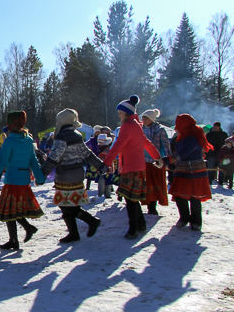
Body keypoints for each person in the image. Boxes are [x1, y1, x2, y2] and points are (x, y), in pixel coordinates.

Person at [41, 109, 107, 243]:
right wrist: (101, 166)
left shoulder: (62, 136)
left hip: (66, 175)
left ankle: (91, 221)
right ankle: (73, 233)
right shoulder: (77, 135)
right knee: (67, 204)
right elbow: (87, 154)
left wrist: (42, 174)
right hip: (77, 174)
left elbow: (54, 157)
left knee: (65, 204)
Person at [0, 111, 45, 250]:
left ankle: (17, 237)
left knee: (9, 210)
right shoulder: (29, 140)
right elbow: (33, 161)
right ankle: (19, 235)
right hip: (24, 182)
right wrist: (40, 178)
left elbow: (1, 164)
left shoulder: (9, 141)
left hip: (11, 182)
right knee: (14, 210)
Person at [102, 96, 160, 239]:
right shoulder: (137, 126)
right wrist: (157, 157)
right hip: (137, 167)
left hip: (131, 168)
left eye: (120, 113)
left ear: (127, 113)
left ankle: (133, 228)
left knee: (130, 199)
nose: (119, 115)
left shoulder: (128, 127)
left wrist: (106, 163)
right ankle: (140, 224)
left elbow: (117, 146)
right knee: (132, 198)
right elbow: (147, 143)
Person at [157, 114, 212, 231]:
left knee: (194, 197)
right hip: (183, 169)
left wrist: (167, 160)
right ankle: (184, 217)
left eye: (178, 124)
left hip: (194, 170)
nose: (176, 127)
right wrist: (171, 163)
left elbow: (183, 154)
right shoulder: (183, 136)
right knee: (179, 195)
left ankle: (196, 221)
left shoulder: (192, 137)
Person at [140, 109, 172, 215]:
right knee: (144, 184)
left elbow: (166, 144)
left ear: (152, 119)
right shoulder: (139, 129)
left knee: (154, 184)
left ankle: (152, 206)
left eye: (146, 118)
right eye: (143, 118)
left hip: (156, 161)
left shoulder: (160, 130)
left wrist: (168, 158)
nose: (144, 120)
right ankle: (144, 202)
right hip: (142, 161)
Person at [96, 134, 114, 198]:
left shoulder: (107, 149)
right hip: (101, 168)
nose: (99, 144)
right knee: (101, 181)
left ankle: (107, 195)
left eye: (101, 142)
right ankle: (100, 194)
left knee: (108, 182)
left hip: (108, 167)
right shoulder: (100, 148)